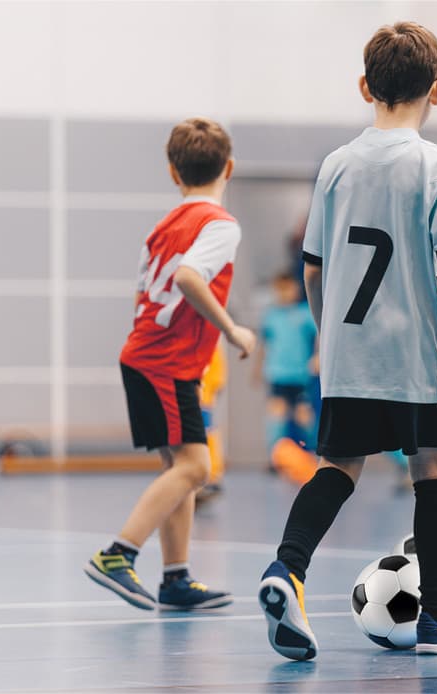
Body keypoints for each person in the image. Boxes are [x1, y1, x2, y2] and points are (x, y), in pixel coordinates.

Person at [257, 22, 437, 660]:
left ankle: (288, 568)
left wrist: (330, 334)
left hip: (349, 354)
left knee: (337, 468)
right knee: (433, 468)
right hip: (414, 354)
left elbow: (313, 268)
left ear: (365, 86)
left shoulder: (335, 165)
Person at [83, 118, 256, 609]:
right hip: (166, 365)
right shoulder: (220, 225)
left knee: (179, 467)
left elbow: (146, 291)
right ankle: (117, 555)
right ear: (229, 167)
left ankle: (176, 578)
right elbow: (186, 278)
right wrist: (232, 329)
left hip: (147, 358)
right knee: (196, 467)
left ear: (172, 172)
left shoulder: (161, 227)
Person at [256, 273, 319, 456]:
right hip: (277, 373)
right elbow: (264, 344)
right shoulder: (271, 316)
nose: (284, 293)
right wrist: (258, 369)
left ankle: (313, 453)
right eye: (280, 289)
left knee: (303, 415)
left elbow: (320, 335)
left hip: (300, 374)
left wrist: (317, 356)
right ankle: (276, 457)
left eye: (288, 288)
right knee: (276, 415)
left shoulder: (305, 312)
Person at [195, 342, 227, 505]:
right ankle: (204, 477)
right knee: (204, 433)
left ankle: (208, 477)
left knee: (206, 433)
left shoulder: (209, 333)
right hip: (199, 388)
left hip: (203, 390)